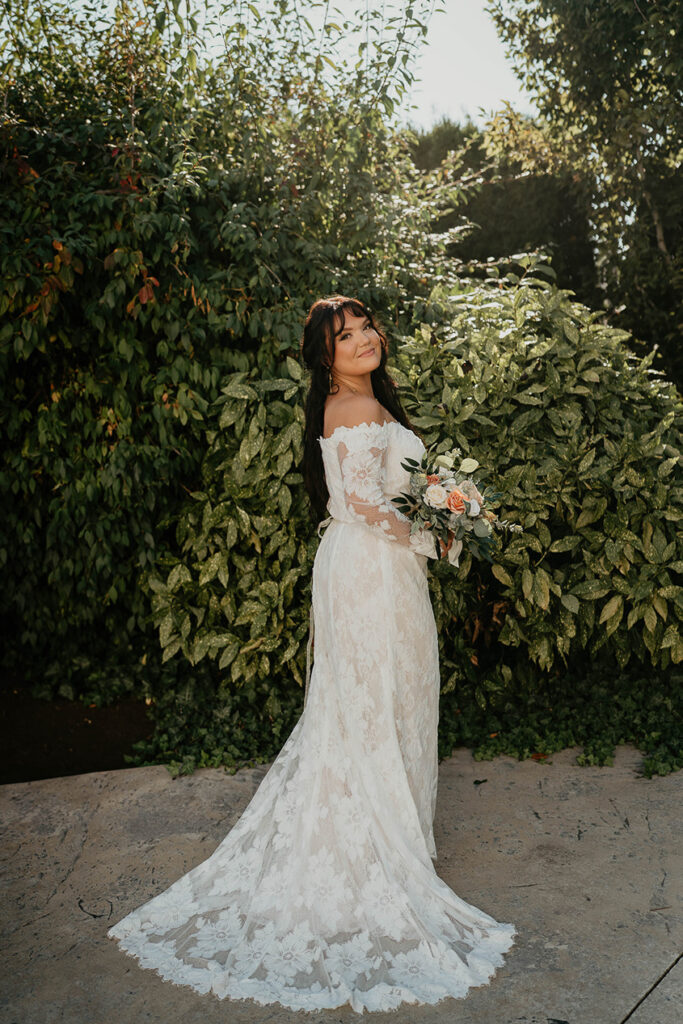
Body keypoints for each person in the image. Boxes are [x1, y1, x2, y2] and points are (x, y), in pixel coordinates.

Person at [107, 295, 517, 1013]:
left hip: (373, 566)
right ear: (323, 357)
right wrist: (443, 527)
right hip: (368, 568)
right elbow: (363, 505)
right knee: (371, 698)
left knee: (387, 695)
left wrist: (444, 512)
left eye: (365, 327)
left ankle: (395, 832)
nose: (363, 339)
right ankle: (374, 848)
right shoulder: (351, 409)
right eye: (344, 336)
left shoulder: (358, 401)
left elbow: (384, 499)